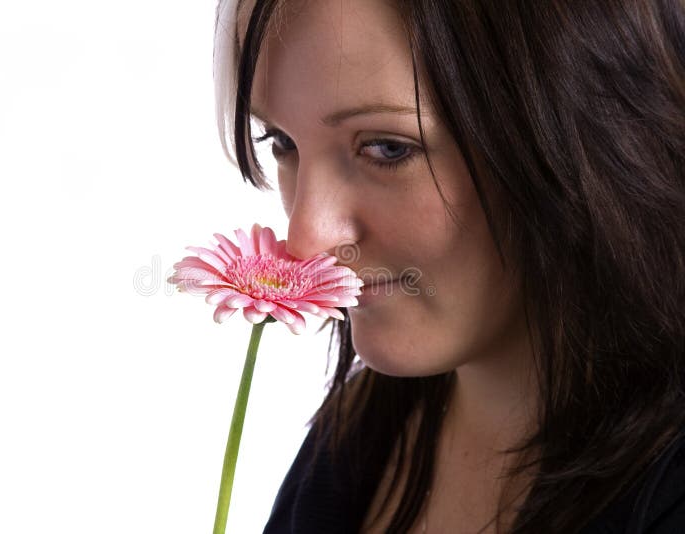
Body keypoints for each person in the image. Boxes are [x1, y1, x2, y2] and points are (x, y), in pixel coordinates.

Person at [212, 0, 685, 532]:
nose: (306, 239)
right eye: (281, 142)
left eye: (388, 149)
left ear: (596, 136)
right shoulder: (357, 439)